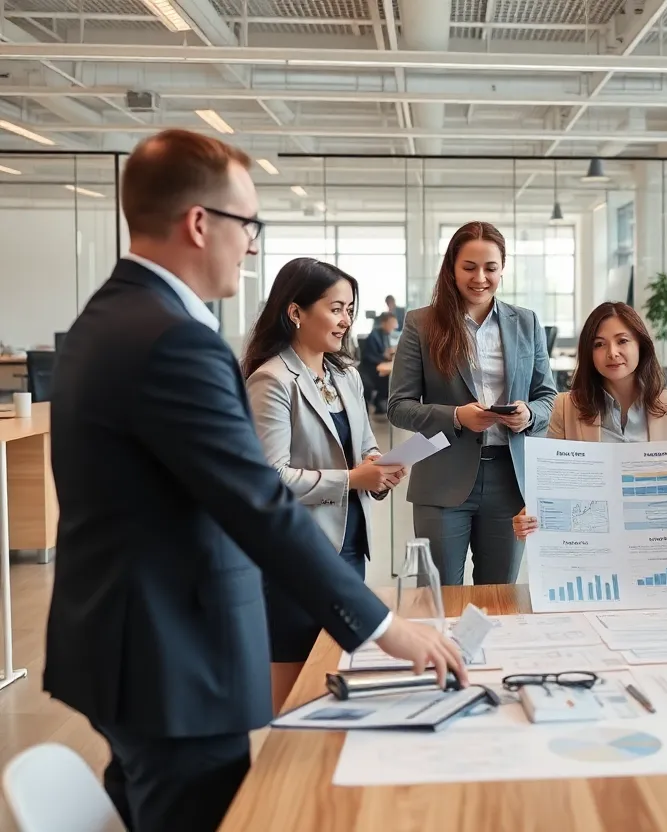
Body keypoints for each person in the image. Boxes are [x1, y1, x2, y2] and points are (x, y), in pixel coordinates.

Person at [43, 129, 467, 832]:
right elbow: (260, 504)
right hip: (172, 659)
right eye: (248, 224)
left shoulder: (109, 318)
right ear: (199, 222)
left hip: (127, 647)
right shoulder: (174, 340)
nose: (251, 245)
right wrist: (384, 627)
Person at [242, 259, 406, 714]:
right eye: (336, 309)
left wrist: (378, 471)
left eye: (350, 309)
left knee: (335, 673)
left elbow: (367, 447)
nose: (346, 320)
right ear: (296, 312)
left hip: (348, 548)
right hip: (295, 554)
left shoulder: (345, 376)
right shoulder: (272, 380)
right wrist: (353, 478)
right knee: (293, 688)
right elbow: (269, 479)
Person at [388, 220, 557, 585]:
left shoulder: (526, 322)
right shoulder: (421, 323)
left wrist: (529, 414)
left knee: (499, 596)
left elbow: (548, 397)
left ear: (502, 269)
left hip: (509, 480)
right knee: (441, 594)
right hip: (442, 476)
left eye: (490, 268)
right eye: (469, 267)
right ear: (452, 268)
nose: (480, 278)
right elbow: (398, 407)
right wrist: (456, 416)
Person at [511, 301, 667, 546]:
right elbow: (551, 488)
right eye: (599, 344)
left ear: (641, 344)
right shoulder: (565, 406)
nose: (612, 352)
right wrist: (531, 518)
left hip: (652, 543)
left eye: (622, 341)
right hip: (593, 545)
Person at [361, 311, 397, 414]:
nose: (394, 326)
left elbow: (384, 352)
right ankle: (379, 402)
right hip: (371, 369)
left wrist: (389, 353)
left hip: (380, 366)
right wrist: (384, 356)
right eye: (391, 323)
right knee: (390, 379)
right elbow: (371, 356)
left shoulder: (385, 335)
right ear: (383, 323)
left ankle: (381, 402)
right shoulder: (374, 336)